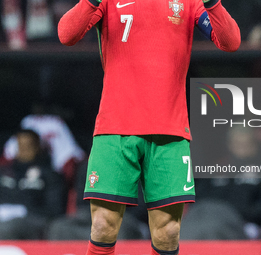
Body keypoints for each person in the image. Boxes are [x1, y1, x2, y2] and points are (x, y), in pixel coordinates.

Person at [58, 0, 240, 253]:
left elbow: (230, 42)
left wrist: (212, 3)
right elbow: (66, 35)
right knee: (103, 225)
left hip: (170, 131)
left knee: (168, 232)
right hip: (115, 128)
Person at [181, 127, 261, 240]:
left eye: (246, 143)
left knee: (209, 230)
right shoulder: (216, 168)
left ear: (255, 144)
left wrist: (242, 212)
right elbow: (196, 198)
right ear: (229, 144)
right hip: (203, 218)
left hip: (242, 224)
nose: (242, 147)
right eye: (237, 143)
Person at [0, 129, 66, 239]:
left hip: (34, 220)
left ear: (37, 146)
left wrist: (23, 211)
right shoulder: (4, 172)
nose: (24, 149)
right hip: (3, 217)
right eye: (20, 145)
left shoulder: (50, 174)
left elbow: (55, 210)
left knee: (6, 228)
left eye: (28, 145)